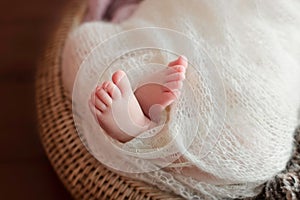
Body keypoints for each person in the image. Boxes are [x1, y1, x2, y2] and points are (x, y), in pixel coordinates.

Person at [62, 0, 300, 199]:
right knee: (84, 43)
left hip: (262, 51)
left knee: (257, 152)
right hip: (173, 24)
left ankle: (145, 130)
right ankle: (149, 107)